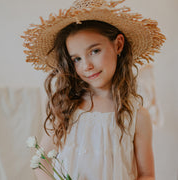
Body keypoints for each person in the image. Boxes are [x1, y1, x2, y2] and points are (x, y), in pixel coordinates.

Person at [22, 0, 166, 179]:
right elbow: (40, 159)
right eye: (77, 59)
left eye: (94, 51)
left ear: (118, 44)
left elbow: (146, 174)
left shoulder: (137, 116)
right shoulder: (65, 107)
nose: (87, 66)